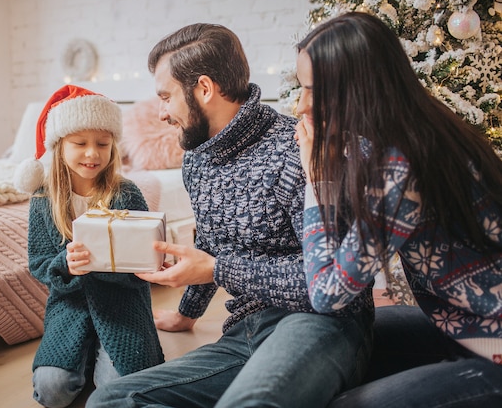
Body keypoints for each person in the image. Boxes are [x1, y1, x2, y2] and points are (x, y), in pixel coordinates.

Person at [87, 23, 374, 408]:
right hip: (243, 332)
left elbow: (334, 289)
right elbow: (210, 244)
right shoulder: (197, 160)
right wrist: (188, 313)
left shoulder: (299, 152)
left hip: (319, 324)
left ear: (204, 89)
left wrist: (216, 270)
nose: (161, 113)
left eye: (166, 97)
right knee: (108, 402)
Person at [294, 12, 502, 408]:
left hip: (493, 340)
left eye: (313, 90)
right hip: (466, 322)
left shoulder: (402, 167)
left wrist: (316, 181)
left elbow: (327, 293)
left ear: (357, 90)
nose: (302, 105)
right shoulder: (407, 128)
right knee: (348, 338)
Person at [13, 85, 164, 408]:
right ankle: (83, 359)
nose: (92, 153)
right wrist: (66, 264)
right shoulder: (44, 200)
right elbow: (39, 262)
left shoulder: (128, 194)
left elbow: (145, 264)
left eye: (103, 144)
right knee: (51, 391)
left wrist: (138, 262)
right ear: (59, 146)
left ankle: (100, 361)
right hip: (70, 306)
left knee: (119, 391)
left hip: (124, 304)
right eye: (79, 143)